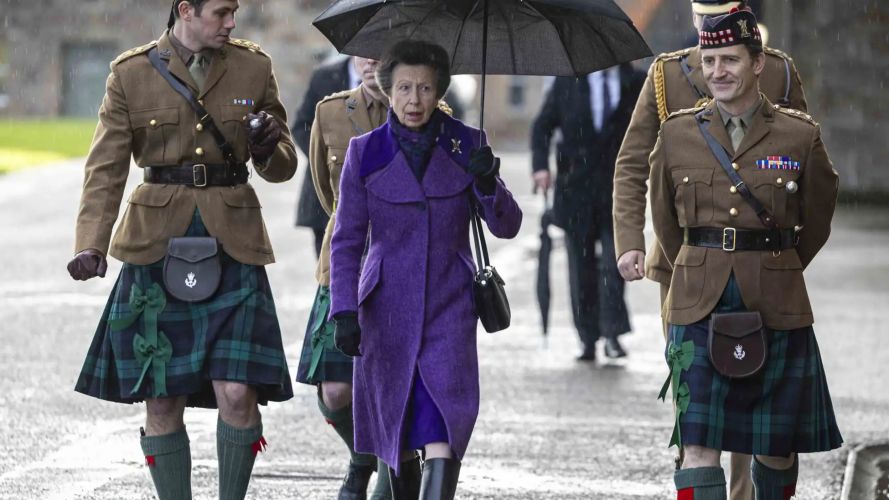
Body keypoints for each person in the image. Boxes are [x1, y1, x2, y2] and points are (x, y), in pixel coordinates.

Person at [67, 1, 298, 498]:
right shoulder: (130, 73)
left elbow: (283, 167)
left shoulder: (254, 67)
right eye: (221, 12)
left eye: (234, 11)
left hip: (234, 242)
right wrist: (92, 244)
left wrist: (265, 147)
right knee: (162, 398)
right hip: (155, 246)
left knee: (238, 392)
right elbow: (105, 168)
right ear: (186, 10)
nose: (232, 21)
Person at [612, 0, 809, 496]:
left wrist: (784, 257)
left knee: (755, 383)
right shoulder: (666, 75)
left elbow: (801, 164)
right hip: (683, 262)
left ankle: (739, 490)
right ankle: (700, 474)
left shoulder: (779, 70)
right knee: (696, 389)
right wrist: (631, 242)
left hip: (759, 264)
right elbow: (636, 164)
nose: (710, 31)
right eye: (703, 18)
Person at [649, 9, 842, 499]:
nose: (718, 71)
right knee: (696, 446)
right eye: (709, 60)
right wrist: (699, 263)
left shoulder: (800, 135)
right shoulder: (675, 134)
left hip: (775, 303)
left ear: (758, 63)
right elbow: (667, 223)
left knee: (776, 445)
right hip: (697, 304)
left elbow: (817, 216)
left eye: (730, 59)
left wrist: (777, 263)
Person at [328, 40, 522, 500]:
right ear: (387, 89)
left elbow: (507, 226)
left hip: (449, 304)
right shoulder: (365, 152)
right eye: (404, 88)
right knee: (398, 427)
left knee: (443, 424)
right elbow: (347, 240)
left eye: (425, 89)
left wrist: (487, 180)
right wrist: (344, 310)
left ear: (440, 92)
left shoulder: (467, 145)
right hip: (385, 309)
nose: (414, 100)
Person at [293, 56, 393, 500]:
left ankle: (394, 471)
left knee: (396, 387)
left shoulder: (428, 112)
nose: (372, 61)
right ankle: (362, 457)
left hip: (402, 264)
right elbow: (324, 188)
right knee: (335, 391)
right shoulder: (330, 111)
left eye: (383, 50)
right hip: (345, 261)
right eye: (364, 51)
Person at [292, 58, 466, 258]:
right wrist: (349, 208)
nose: (370, 60)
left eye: (378, 52)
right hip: (339, 236)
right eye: (362, 53)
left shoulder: (418, 104)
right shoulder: (329, 102)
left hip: (399, 245)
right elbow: (321, 177)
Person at [530, 63, 644, 361]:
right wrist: (540, 167)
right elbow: (542, 126)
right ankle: (588, 338)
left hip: (619, 193)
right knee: (581, 269)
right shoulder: (568, 81)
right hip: (575, 191)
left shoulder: (636, 82)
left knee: (614, 264)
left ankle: (613, 334)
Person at [292, 56, 355, 257]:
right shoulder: (324, 77)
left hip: (374, 198)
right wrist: (327, 158)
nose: (371, 61)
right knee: (328, 272)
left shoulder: (395, 82)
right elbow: (301, 126)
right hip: (324, 194)